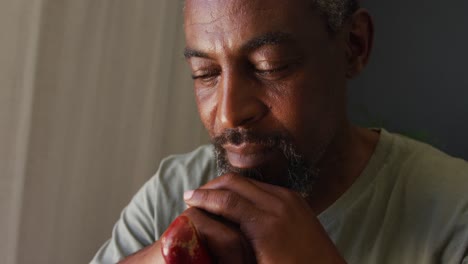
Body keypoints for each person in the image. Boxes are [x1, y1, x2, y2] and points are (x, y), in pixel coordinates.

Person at [91, 0, 468, 263]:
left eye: (269, 67)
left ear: (353, 46)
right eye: (206, 74)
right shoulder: (172, 192)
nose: (228, 114)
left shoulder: (455, 211)